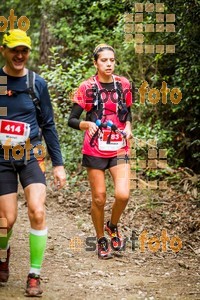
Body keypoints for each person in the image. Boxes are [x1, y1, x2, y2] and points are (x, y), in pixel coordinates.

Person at [0, 29, 66, 296]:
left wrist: (59, 164)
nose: (19, 55)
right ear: (3, 50)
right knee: (6, 220)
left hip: (31, 155)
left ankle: (34, 274)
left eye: (24, 50)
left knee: (37, 211)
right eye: (14, 49)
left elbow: (48, 124)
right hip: (2, 158)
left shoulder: (36, 83)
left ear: (28, 52)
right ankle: (3, 255)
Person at [68, 44, 133, 259]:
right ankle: (100, 239)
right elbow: (72, 120)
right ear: (95, 63)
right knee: (99, 198)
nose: (109, 64)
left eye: (112, 60)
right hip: (95, 148)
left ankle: (112, 226)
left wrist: (129, 128)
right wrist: (86, 125)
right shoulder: (87, 87)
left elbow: (128, 112)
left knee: (123, 195)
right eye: (104, 60)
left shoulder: (123, 84)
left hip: (119, 146)